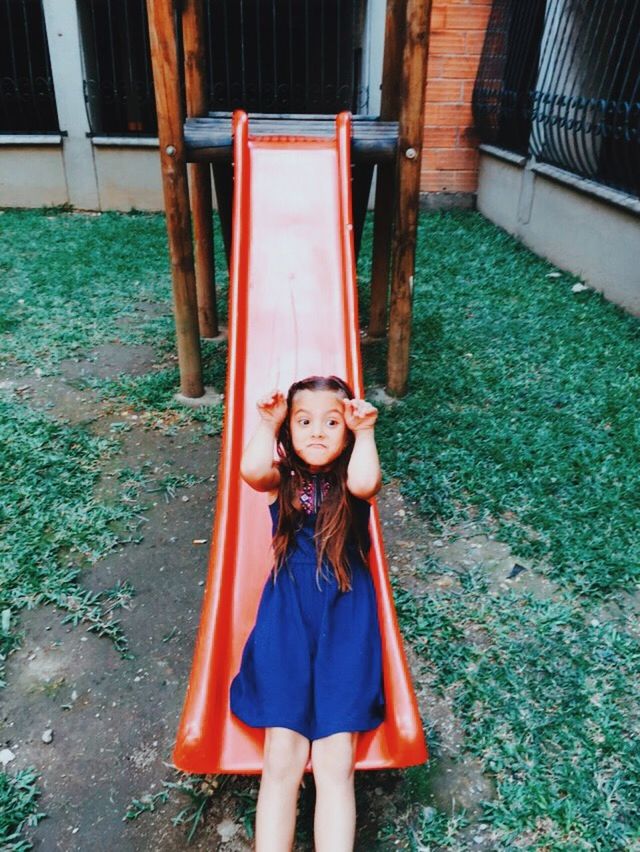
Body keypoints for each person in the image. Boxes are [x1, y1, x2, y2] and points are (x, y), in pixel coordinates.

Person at [230, 374, 386, 851]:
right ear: (288, 432)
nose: (317, 431)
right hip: (288, 618)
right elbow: (253, 471)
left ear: (346, 430)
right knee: (283, 756)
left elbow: (367, 481)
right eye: (304, 421)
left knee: (336, 760)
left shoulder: (350, 480)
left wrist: (366, 433)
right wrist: (266, 421)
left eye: (332, 422)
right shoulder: (285, 480)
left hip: (346, 616)